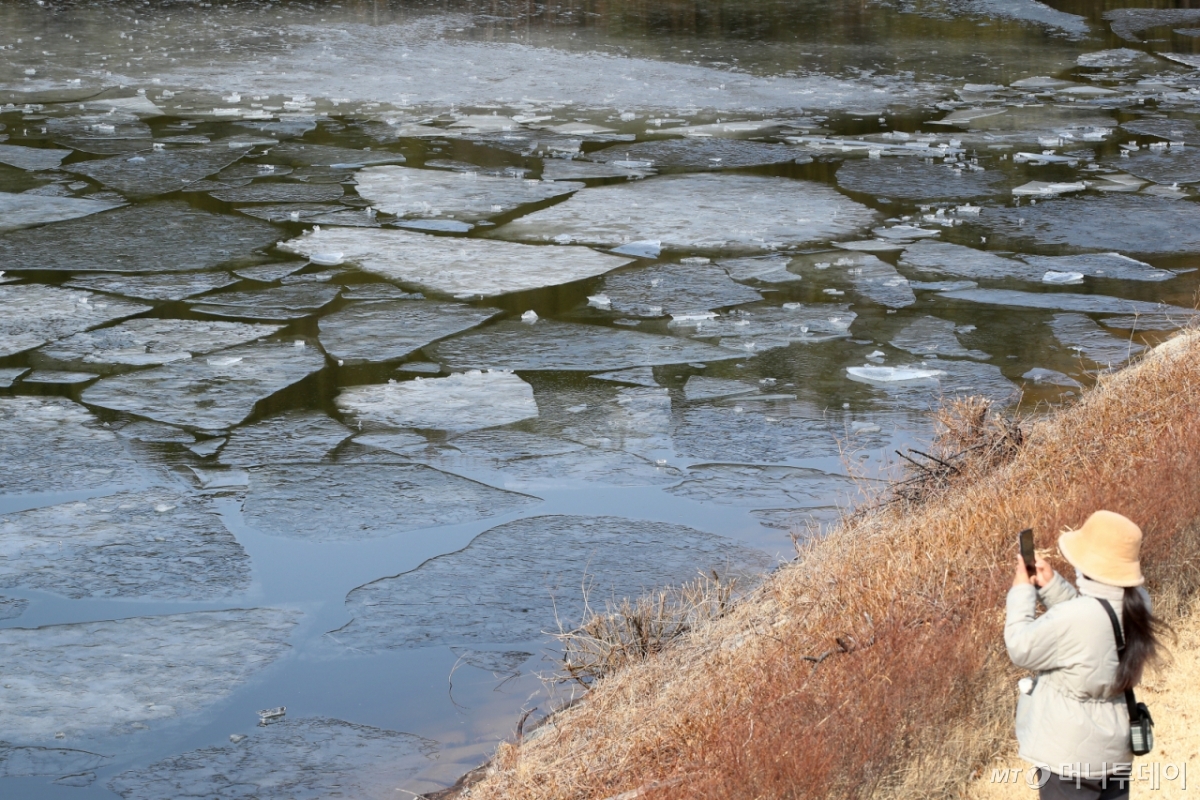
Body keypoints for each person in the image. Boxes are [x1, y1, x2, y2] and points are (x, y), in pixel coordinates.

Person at [1004, 510, 1168, 800]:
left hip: (1068, 757)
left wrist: (1021, 592)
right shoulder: (1139, 604)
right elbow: (1096, 625)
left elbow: (1020, 647)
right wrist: (1054, 587)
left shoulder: (1078, 617)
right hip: (1115, 748)